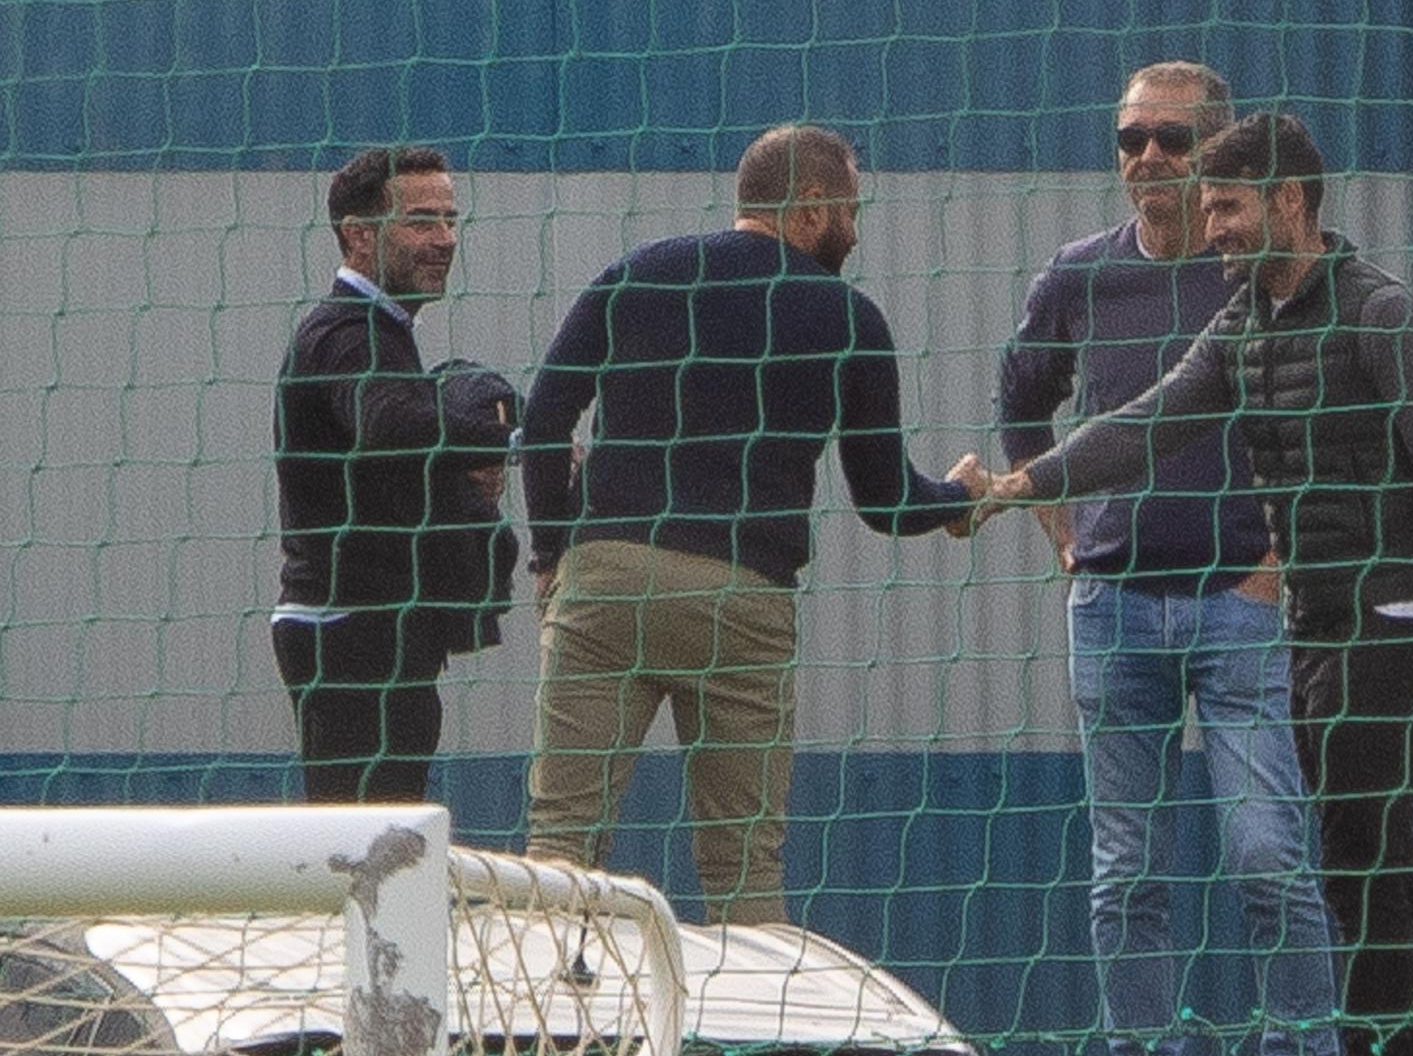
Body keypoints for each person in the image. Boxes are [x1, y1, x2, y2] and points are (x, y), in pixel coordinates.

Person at [976, 113, 1413, 1056]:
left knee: (1360, 858)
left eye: (1226, 205)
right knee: (1363, 859)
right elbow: (1145, 420)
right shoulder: (1242, 325)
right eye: (1208, 205)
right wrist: (1021, 486)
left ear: (1289, 205)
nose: (1208, 224)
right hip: (1310, 618)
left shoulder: (1382, 314)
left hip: (1387, 616)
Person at [994, 64, 1342, 1056]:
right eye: (1129, 139)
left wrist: (1277, 562)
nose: (1147, 158)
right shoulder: (1078, 277)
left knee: (1265, 853)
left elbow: (1335, 431)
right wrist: (1056, 523)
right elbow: (1021, 406)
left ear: (1220, 158)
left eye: (1170, 140)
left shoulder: (1258, 287)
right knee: (1126, 869)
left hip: (1239, 605)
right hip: (1112, 608)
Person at [520, 124, 981, 926]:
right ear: (808, 208)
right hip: (743, 600)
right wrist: (960, 498)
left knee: (560, 842)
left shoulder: (639, 273)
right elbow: (884, 501)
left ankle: (543, 1036)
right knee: (742, 864)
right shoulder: (850, 320)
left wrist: (551, 551)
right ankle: (756, 1048)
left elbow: (546, 413)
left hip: (608, 581)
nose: (856, 229)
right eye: (849, 208)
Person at [271, 145, 517, 802]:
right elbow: (392, 426)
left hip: (377, 631)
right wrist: (520, 442)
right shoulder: (347, 332)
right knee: (363, 845)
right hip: (349, 632)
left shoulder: (382, 331)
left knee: (382, 837)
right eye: (421, 222)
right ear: (358, 236)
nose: (444, 240)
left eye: (450, 219)